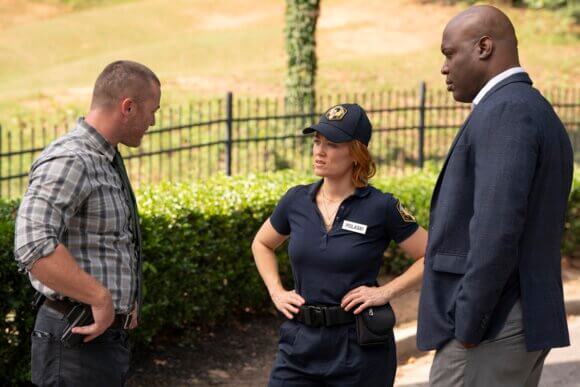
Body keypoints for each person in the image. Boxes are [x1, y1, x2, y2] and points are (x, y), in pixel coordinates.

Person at [417, 5, 574, 387]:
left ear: (484, 47)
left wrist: (468, 325)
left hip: (492, 326)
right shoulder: (531, 109)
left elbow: (497, 230)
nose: (444, 68)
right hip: (514, 318)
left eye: (449, 53)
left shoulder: (507, 111)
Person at [252, 103, 428, 386]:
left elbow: (430, 255)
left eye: (332, 144)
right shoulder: (295, 201)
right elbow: (262, 243)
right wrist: (276, 291)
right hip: (299, 346)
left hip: (359, 350)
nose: (319, 151)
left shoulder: (381, 207)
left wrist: (385, 292)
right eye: (316, 141)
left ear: (356, 153)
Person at [14, 60, 161, 386]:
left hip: (99, 343)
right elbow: (32, 244)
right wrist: (100, 298)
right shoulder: (73, 158)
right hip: (74, 343)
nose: (153, 121)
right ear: (128, 107)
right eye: (153, 110)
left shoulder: (104, 159)